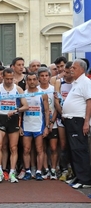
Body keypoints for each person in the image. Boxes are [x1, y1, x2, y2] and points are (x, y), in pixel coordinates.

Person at [0, 68, 29, 183]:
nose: (9, 81)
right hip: (0, 118)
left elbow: (25, 106)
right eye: (7, 79)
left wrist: (16, 110)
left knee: (13, 147)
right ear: (3, 77)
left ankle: (12, 172)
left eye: (11, 79)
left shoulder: (19, 89)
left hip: (13, 119)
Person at [62, 59, 91, 189]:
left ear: (81, 69)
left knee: (79, 150)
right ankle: (78, 176)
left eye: (74, 67)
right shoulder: (76, 83)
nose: (71, 69)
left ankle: (85, 179)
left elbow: (89, 102)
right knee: (73, 150)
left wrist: (86, 122)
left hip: (78, 121)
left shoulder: (86, 82)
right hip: (70, 121)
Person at [21, 73, 50, 180]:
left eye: (34, 79)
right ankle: (28, 171)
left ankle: (38, 171)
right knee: (26, 149)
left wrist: (47, 126)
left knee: (39, 149)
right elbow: (20, 112)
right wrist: (19, 126)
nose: (32, 81)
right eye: (30, 80)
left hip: (39, 125)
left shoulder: (43, 94)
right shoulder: (23, 94)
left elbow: (46, 111)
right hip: (26, 125)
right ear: (27, 81)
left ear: (37, 80)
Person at [53, 61, 73, 181]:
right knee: (63, 144)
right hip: (62, 117)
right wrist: (62, 113)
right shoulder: (59, 82)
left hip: (74, 118)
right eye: (63, 71)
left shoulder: (77, 84)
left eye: (67, 72)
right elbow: (56, 100)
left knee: (74, 144)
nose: (64, 74)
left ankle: (73, 168)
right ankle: (64, 168)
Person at [37, 67, 58, 179]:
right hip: (40, 124)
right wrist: (45, 124)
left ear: (49, 77)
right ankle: (45, 169)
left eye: (46, 76)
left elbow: (56, 107)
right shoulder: (35, 90)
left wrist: (50, 122)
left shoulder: (53, 89)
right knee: (42, 148)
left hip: (53, 123)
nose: (44, 78)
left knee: (54, 147)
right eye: (42, 76)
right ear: (38, 78)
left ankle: (53, 169)